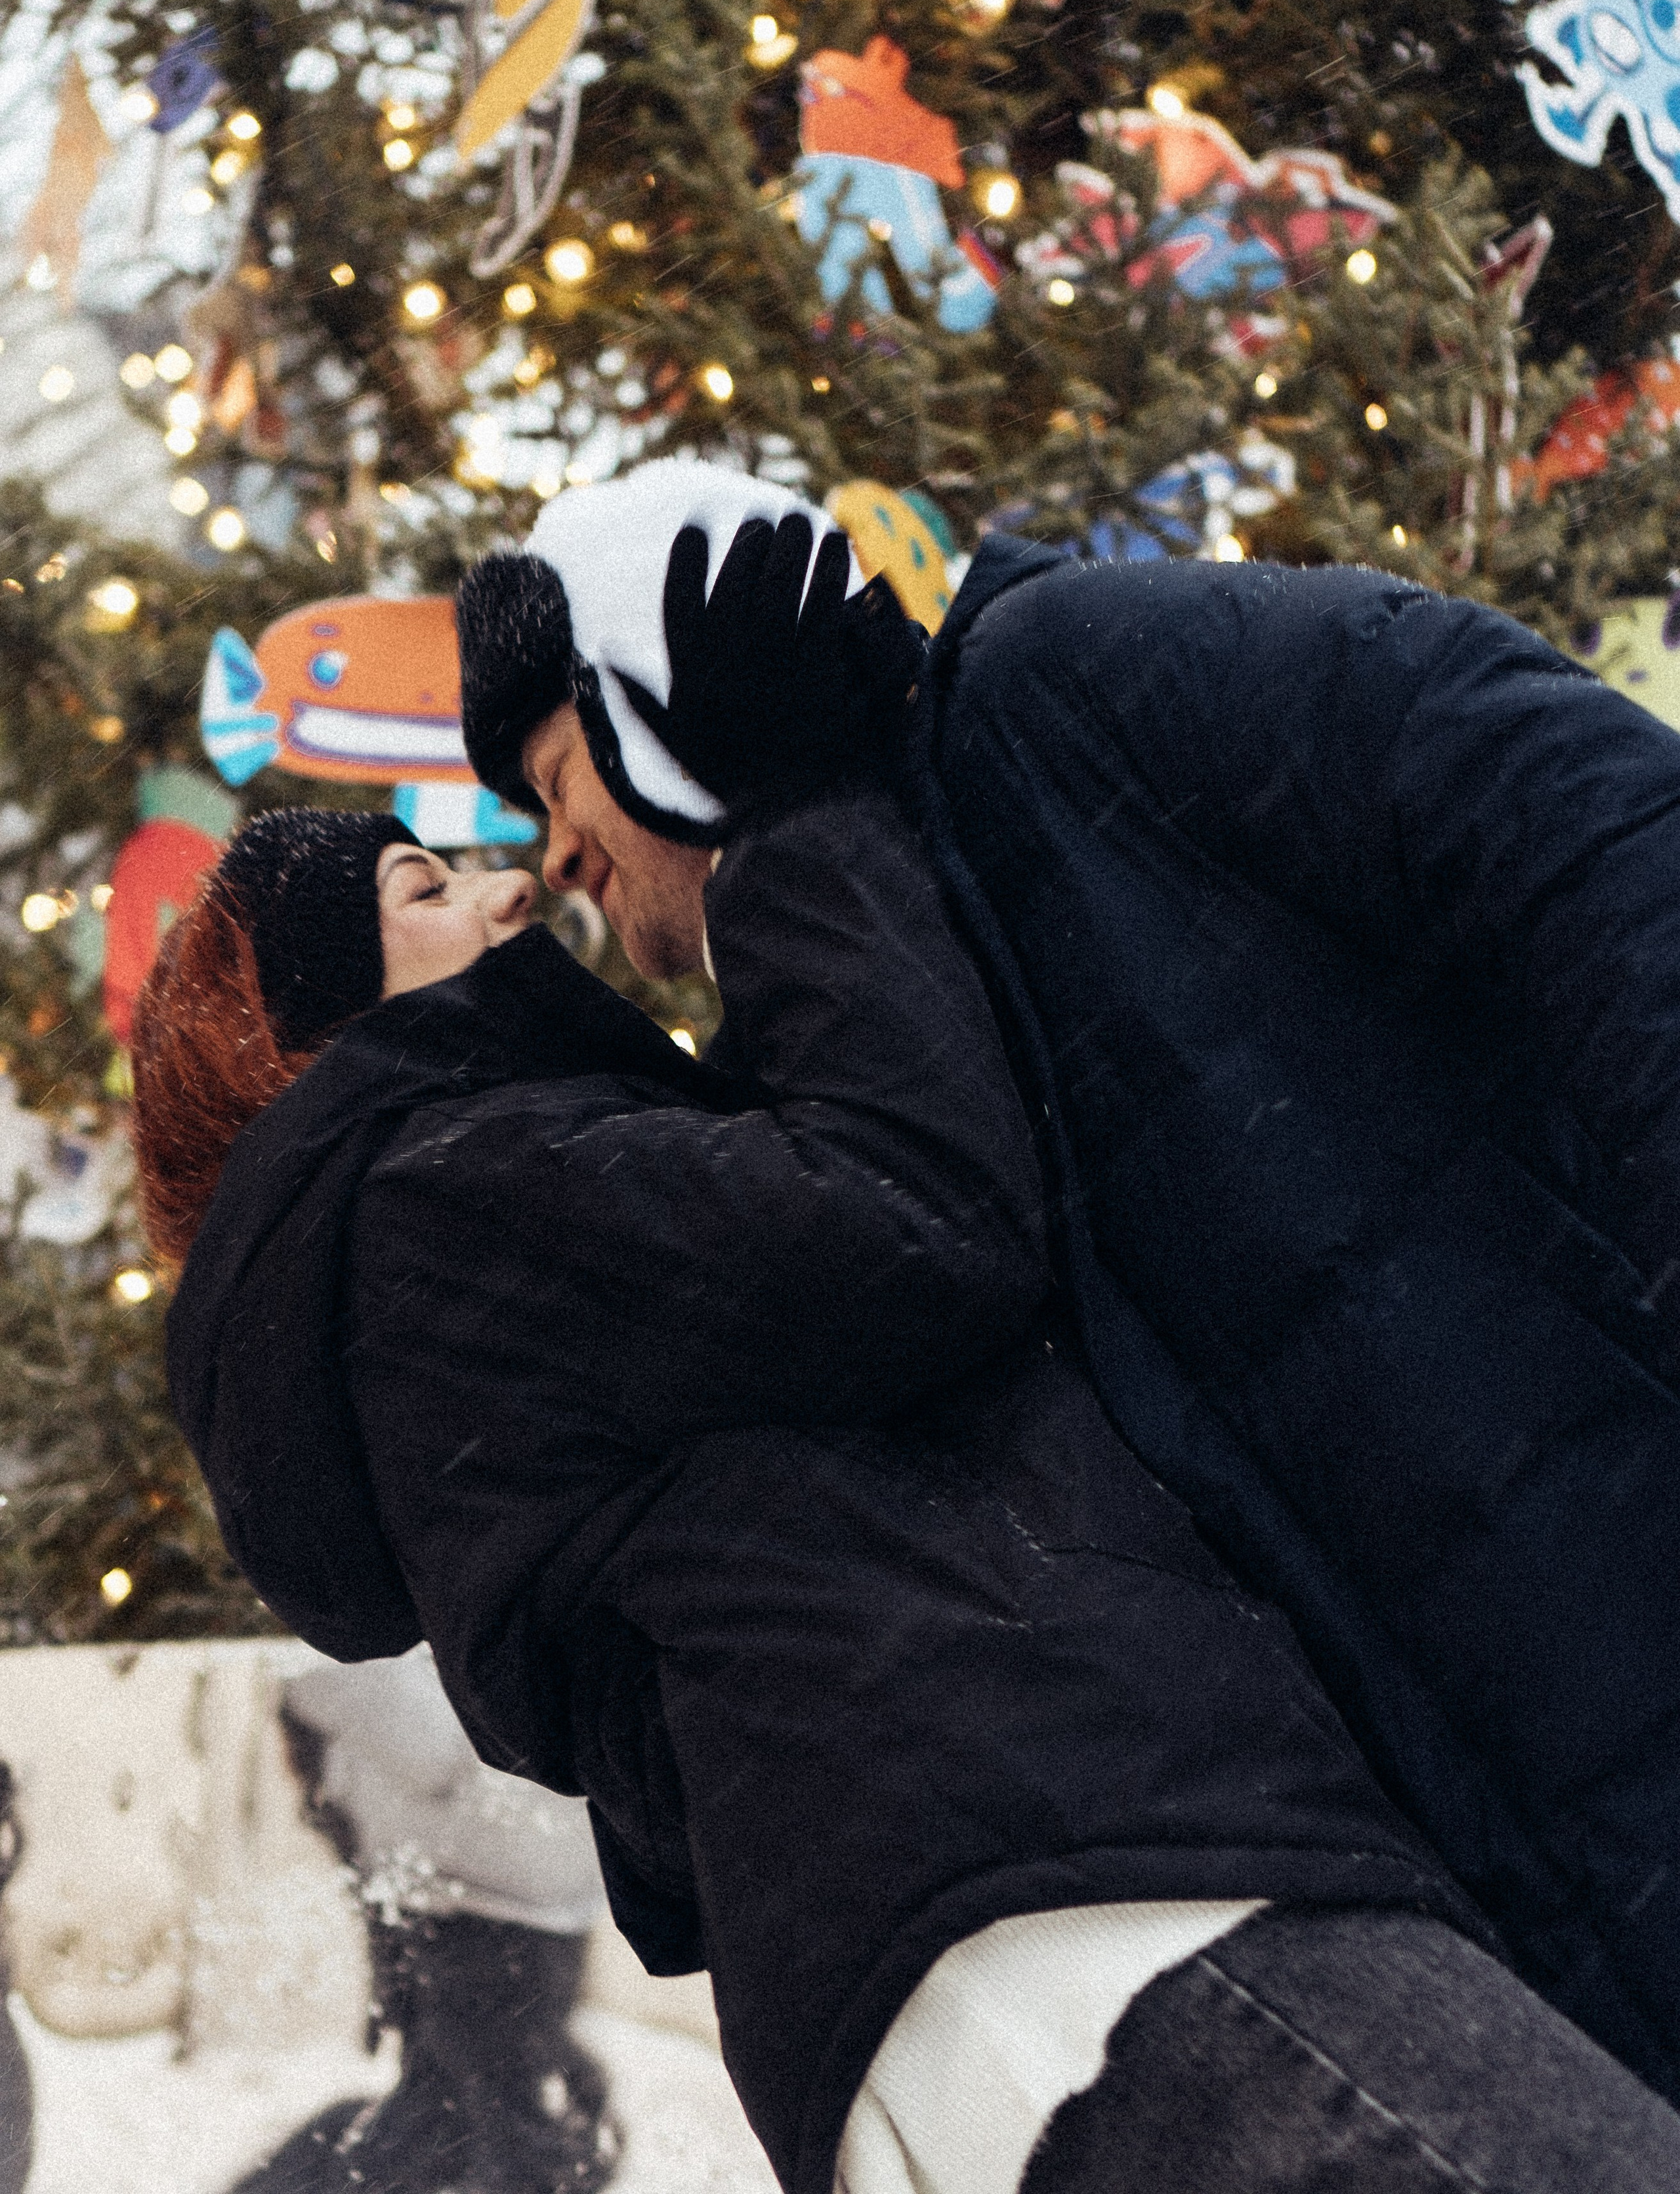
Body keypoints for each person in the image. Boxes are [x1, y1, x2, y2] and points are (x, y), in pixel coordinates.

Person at [136, 792, 1680, 2187]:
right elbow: (913, 1214)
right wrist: (794, 801)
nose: (509, 888)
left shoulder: (452, 1257)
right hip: (1088, 1894)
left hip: (986, 1955)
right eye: (422, 889)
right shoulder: (443, 1192)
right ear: (310, 1036)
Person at [455, 458, 1680, 2110]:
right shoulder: (839, 1054)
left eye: (555, 779)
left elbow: (1571, 807)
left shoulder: (1064, 681)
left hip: (1613, 1565)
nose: (552, 859)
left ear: (653, 688)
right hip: (1469, 1837)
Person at [229, 1646, 616, 2193]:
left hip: (479, 1898)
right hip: (510, 1891)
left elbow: (425, 1746)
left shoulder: (353, 1631)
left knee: (463, 2117)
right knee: (465, 2111)